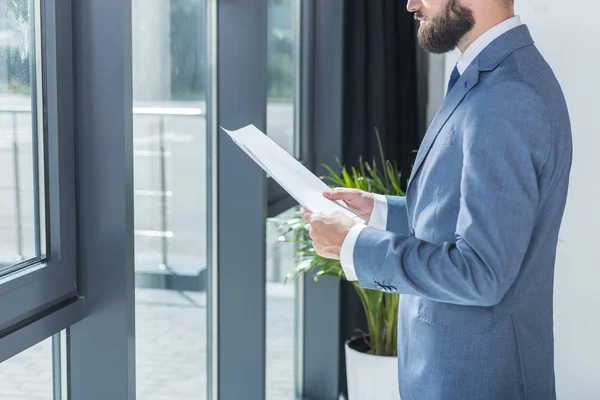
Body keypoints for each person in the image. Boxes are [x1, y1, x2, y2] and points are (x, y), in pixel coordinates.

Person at [301, 0, 572, 399]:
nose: (411, 3)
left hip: (479, 380)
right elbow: (460, 214)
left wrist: (354, 245)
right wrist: (377, 211)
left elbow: (481, 272)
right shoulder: (490, 76)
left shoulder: (509, 94)